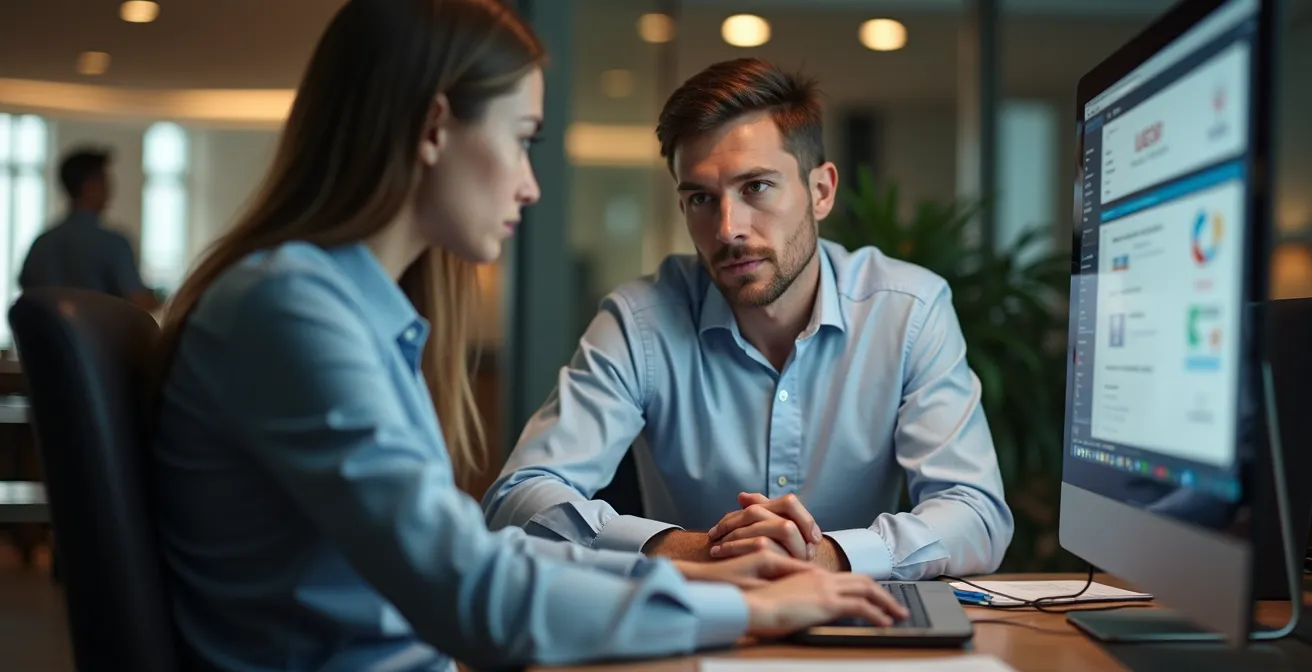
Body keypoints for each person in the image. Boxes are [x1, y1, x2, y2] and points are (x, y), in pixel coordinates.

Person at [151, 3, 906, 671]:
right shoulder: (294, 313)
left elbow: (473, 563)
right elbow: (476, 596)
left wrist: (711, 579)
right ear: (436, 128)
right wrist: (750, 610)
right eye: (521, 139)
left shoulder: (341, 309)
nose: (529, 184)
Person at [484, 58, 1014, 581]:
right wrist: (698, 551)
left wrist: (824, 556)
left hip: (860, 625)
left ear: (821, 191)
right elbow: (520, 496)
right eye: (700, 199)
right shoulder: (639, 321)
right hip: (693, 619)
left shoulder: (909, 311)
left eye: (756, 187)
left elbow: (975, 513)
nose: (728, 228)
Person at [19, 148, 162, 312]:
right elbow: (138, 299)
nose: (111, 189)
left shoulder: (41, 244)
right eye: (105, 180)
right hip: (101, 336)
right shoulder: (113, 243)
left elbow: (27, 301)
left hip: (44, 337)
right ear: (90, 185)